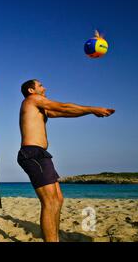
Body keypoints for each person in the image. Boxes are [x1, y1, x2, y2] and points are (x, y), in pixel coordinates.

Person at [17, 79, 114, 242]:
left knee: (57, 200)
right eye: (40, 85)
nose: (45, 87)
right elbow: (63, 107)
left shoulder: (41, 108)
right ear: (31, 90)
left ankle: (54, 238)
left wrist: (90, 112)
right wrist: (93, 108)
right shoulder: (32, 100)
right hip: (32, 153)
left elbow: (66, 112)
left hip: (41, 154)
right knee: (49, 202)